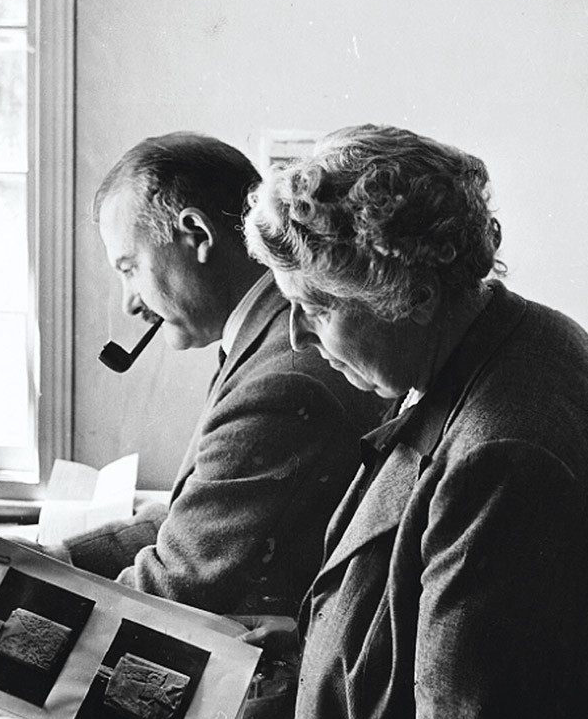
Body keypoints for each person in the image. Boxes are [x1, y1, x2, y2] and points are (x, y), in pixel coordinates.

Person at [167, 124, 588, 719]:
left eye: (319, 307)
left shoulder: (505, 447)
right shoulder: (512, 345)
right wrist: (316, 645)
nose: (301, 336)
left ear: (411, 294)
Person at [55, 132, 382, 621]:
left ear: (198, 235)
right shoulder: (261, 338)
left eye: (130, 268)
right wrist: (61, 558)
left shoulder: (281, 380)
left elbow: (178, 581)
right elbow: (194, 515)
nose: (130, 303)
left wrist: (19, 595)